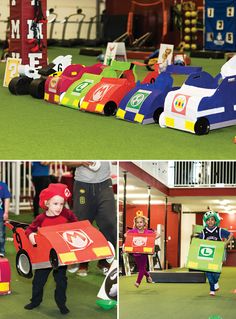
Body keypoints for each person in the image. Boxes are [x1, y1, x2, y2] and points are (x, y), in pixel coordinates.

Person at [24, 183, 77, 314]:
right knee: (38, 281)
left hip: (60, 255)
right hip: (44, 256)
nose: (59, 207)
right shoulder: (41, 218)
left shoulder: (67, 214)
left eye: (61, 203)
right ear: (46, 203)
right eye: (55, 204)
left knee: (61, 282)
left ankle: (61, 304)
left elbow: (77, 224)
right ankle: (35, 301)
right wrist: (31, 235)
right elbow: (30, 229)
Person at [65, 161, 117, 276]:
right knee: (82, 224)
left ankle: (104, 261)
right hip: (82, 185)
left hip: (105, 184)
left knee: (110, 223)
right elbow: (66, 161)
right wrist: (82, 161)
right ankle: (83, 262)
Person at [199, 211, 233, 296]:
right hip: (207, 255)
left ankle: (216, 281)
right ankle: (212, 289)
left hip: (218, 255)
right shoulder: (203, 232)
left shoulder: (220, 230)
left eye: (212, 219)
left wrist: (226, 243)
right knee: (209, 272)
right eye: (208, 220)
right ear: (205, 221)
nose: (210, 221)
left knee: (217, 273)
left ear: (215, 221)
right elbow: (199, 242)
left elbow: (231, 234)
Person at [125, 211, 159, 288]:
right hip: (136, 252)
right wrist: (126, 236)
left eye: (141, 222)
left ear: (144, 223)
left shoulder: (148, 232)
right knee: (142, 268)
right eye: (137, 222)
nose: (139, 224)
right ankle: (148, 275)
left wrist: (154, 236)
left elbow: (158, 235)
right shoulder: (133, 231)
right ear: (135, 224)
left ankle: (138, 282)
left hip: (144, 252)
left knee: (141, 268)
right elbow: (126, 235)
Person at [0, 181, 11, 257]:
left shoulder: (2, 185)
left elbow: (7, 199)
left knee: (1, 234)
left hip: (0, 215)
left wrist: (6, 212)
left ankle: (1, 250)